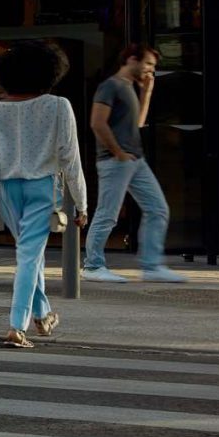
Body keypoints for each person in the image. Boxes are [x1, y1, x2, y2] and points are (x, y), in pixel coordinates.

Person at [0, 38, 90, 350]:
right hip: (43, 189)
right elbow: (71, 159)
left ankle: (43, 316)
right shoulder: (58, 106)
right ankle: (16, 326)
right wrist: (81, 204)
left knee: (30, 255)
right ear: (49, 73)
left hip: (7, 191)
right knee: (28, 256)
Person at [80, 44, 187, 284]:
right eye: (148, 63)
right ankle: (93, 266)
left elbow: (137, 123)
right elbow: (97, 123)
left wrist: (147, 92)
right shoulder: (110, 86)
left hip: (135, 161)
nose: (151, 69)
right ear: (131, 59)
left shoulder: (129, 87)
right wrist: (117, 152)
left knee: (158, 209)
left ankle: (151, 266)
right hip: (115, 160)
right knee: (108, 214)